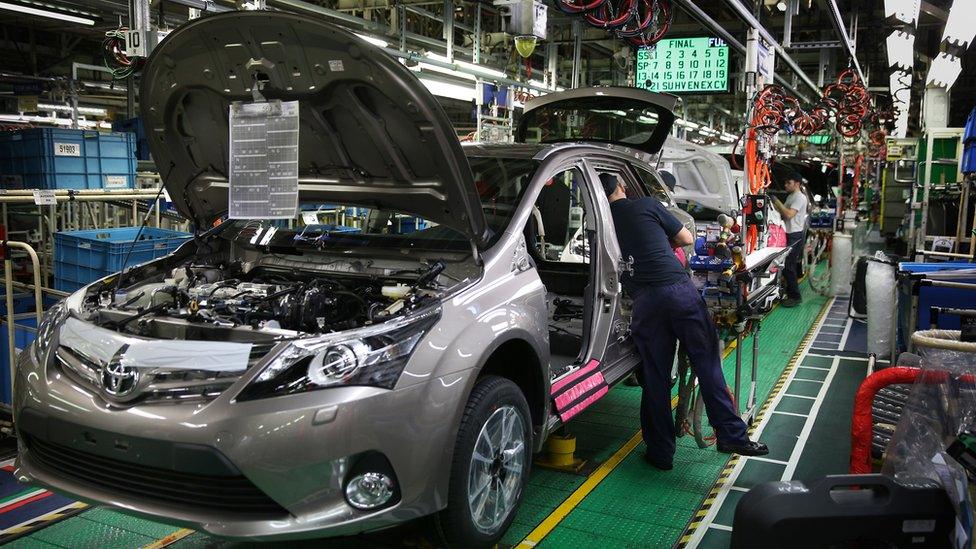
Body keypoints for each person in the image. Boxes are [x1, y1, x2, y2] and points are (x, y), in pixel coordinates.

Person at [601, 173, 768, 470]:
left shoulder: (603, 221)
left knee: (656, 378)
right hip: (677, 291)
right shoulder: (648, 205)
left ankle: (661, 453)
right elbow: (686, 238)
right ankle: (731, 435)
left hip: (644, 301)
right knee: (707, 364)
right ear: (622, 187)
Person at [771, 175, 809, 308]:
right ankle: (788, 292)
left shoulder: (799, 197)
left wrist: (776, 201)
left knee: (789, 265)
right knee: (785, 264)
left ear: (797, 183)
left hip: (795, 235)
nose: (785, 185)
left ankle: (795, 296)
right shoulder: (790, 196)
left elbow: (788, 214)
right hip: (787, 233)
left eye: (789, 182)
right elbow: (781, 212)